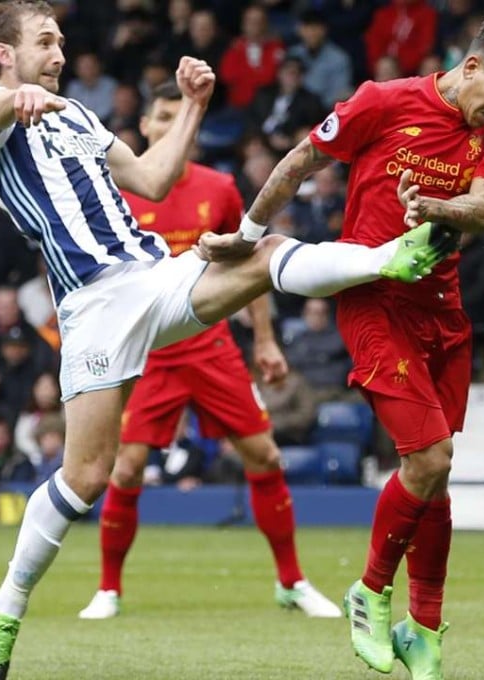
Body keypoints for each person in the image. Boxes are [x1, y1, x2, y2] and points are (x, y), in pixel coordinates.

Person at [0, 3, 449, 678]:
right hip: (93, 308)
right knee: (85, 478)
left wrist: (193, 106)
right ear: (5, 54)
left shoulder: (74, 114)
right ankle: (6, 605)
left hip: (155, 276)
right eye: (45, 41)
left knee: (264, 250)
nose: (59, 52)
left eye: (61, 40)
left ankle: (388, 257)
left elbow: (152, 178)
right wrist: (11, 97)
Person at [198, 13, 484, 679]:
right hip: (374, 300)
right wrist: (248, 231)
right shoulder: (383, 102)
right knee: (430, 455)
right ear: (469, 68)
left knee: (434, 478)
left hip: (442, 307)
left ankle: (427, 630)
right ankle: (370, 590)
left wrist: (436, 207)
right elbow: (300, 159)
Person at [77, 81, 341, 622]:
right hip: (149, 353)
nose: (175, 126)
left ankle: (291, 581)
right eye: (164, 117)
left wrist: (264, 339)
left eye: (183, 118)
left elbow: (249, 268)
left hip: (211, 346)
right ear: (145, 129)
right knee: (125, 470)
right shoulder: (119, 193)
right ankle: (108, 589)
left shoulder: (218, 187)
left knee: (265, 456)